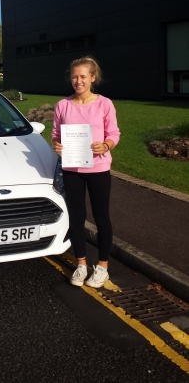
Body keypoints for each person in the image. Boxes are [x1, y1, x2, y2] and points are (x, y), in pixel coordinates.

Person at [52, 56, 120, 288]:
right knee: (76, 216)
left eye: (82, 76)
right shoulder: (63, 105)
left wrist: (106, 145)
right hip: (72, 168)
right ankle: (81, 264)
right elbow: (55, 134)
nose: (78, 81)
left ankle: (102, 267)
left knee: (101, 217)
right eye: (74, 76)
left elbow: (114, 133)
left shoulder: (104, 104)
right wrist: (57, 145)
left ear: (92, 77)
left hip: (99, 168)